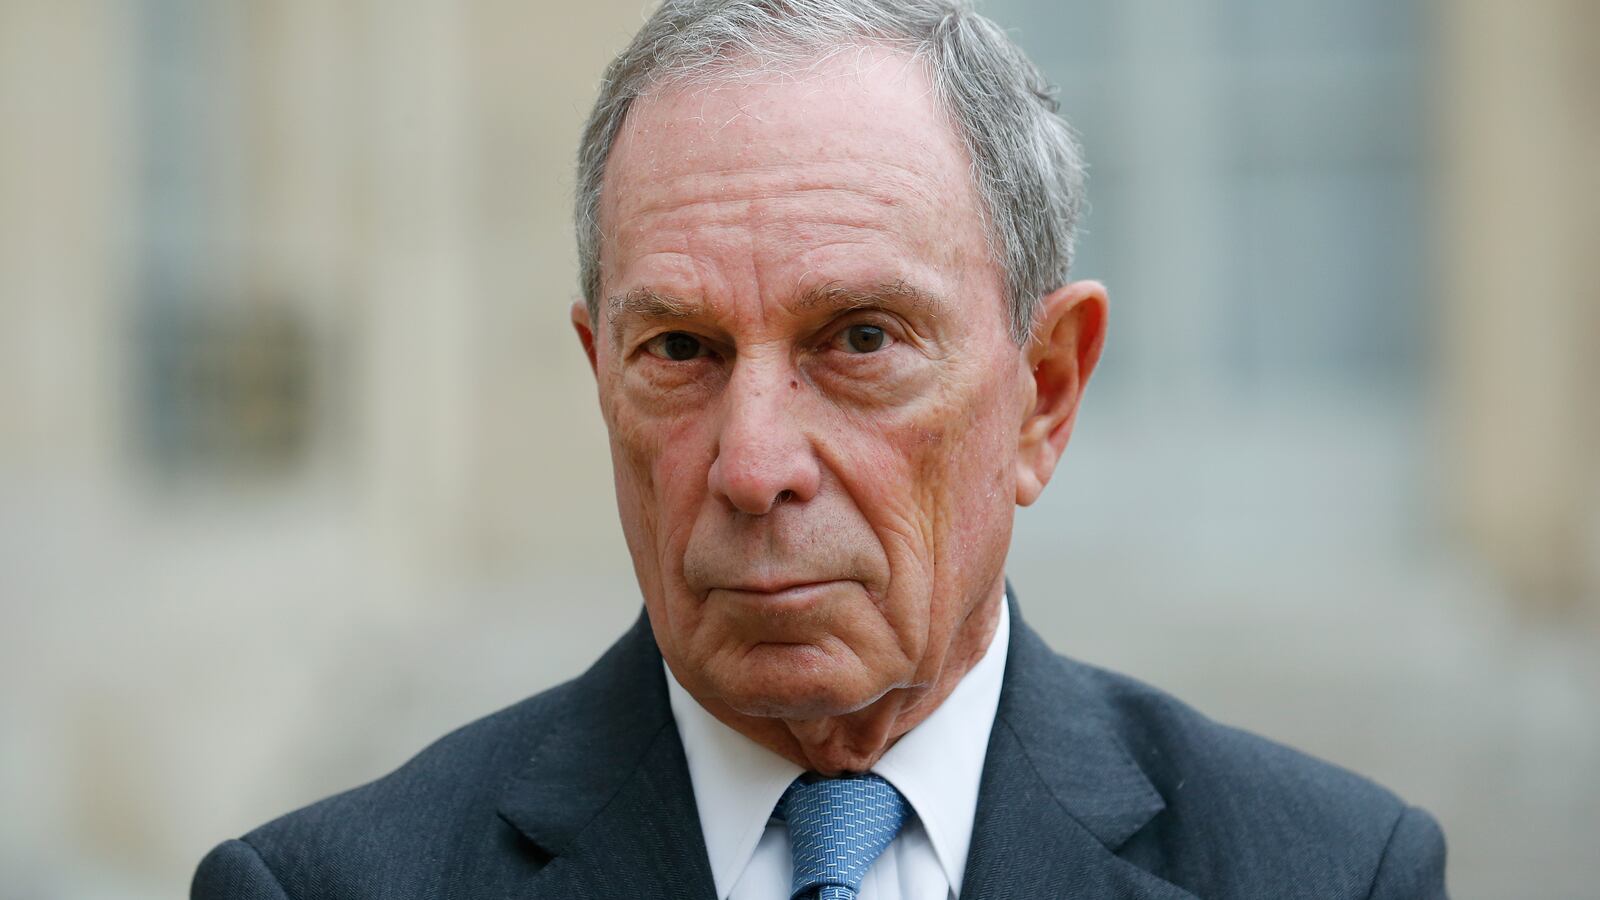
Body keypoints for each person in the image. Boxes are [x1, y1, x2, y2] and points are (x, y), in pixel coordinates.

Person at [192, 1, 1449, 897]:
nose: (752, 466)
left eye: (858, 338)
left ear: (1044, 393)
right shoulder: (331, 887)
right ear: (600, 380)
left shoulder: (1329, 871)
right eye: (680, 351)